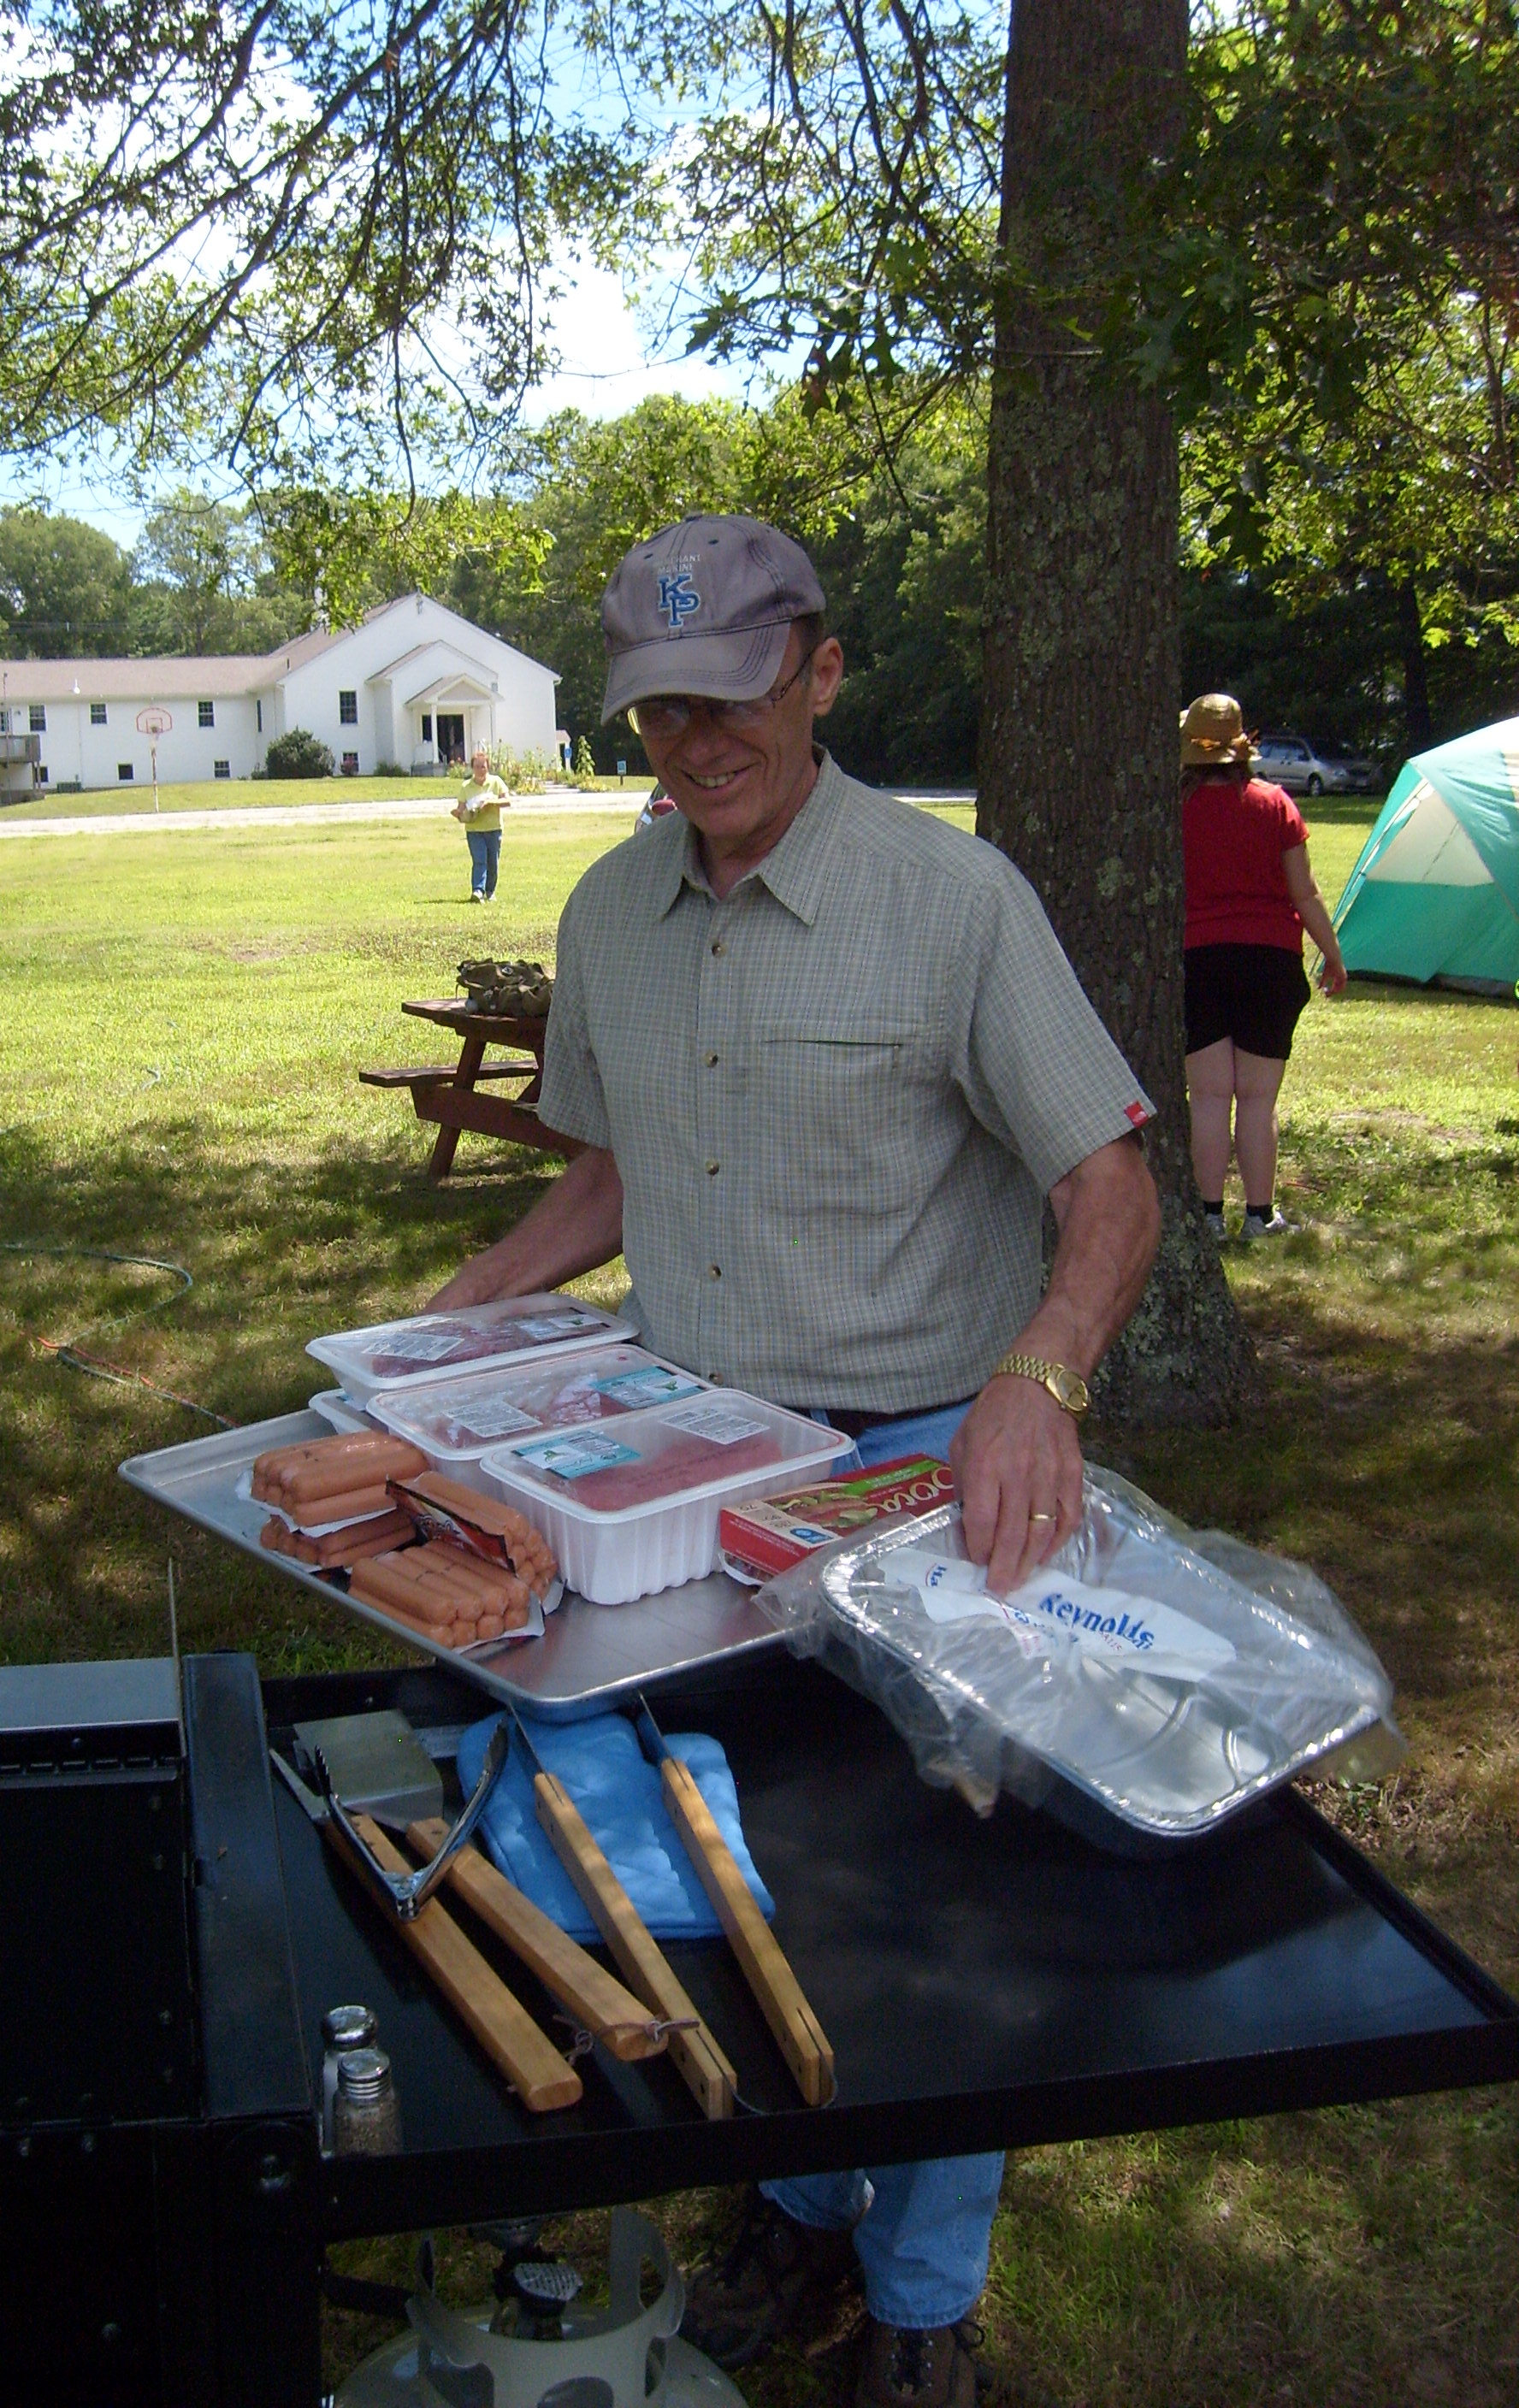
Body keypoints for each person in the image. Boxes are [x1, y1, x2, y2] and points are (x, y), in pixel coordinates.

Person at [431, 512, 1161, 2408]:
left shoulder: (957, 902)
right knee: (700, 1871)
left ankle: (920, 2303)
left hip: (928, 1466)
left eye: (731, 694)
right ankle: (791, 2195)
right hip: (683, 1472)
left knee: (937, 1907)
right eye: (659, 706)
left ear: (822, 673)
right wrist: (447, 1332)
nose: (693, 743)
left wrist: (1041, 1381)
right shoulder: (607, 913)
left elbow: (1109, 1184)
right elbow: (604, 1177)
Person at [1181, 693, 1346, 1239]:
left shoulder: (1170, 811)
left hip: (1198, 959)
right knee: (1257, 1097)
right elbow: (1306, 893)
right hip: (1270, 962)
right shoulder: (1276, 804)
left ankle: (1208, 1216)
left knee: (1207, 1096)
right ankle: (1258, 1215)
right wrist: (1334, 956)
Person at [452, 747, 511, 901]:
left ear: (488, 767)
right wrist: (459, 814)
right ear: (472, 768)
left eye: (483, 766)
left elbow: (507, 801)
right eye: (477, 767)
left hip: (493, 829)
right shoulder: (466, 787)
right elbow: (461, 808)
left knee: (493, 863)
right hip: (474, 830)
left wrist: (491, 802)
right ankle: (477, 891)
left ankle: (490, 891)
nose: (480, 770)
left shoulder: (496, 782)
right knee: (479, 860)